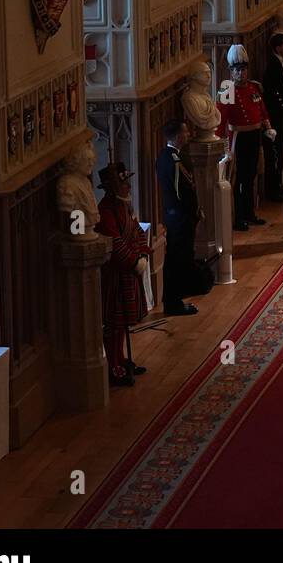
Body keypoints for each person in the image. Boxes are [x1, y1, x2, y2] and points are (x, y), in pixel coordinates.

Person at [95, 162, 151, 386]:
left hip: (129, 270)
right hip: (116, 273)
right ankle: (114, 364)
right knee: (114, 323)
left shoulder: (124, 206)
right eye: (123, 182)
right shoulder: (106, 210)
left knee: (124, 322)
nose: (128, 186)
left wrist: (143, 254)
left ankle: (123, 359)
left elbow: (137, 231)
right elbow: (114, 242)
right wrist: (133, 261)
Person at [218, 44, 275, 231]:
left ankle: (250, 213)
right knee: (239, 180)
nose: (241, 74)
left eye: (243, 70)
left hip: (254, 137)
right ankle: (239, 217)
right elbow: (222, 122)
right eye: (237, 70)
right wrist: (225, 147)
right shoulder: (227, 90)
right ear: (231, 71)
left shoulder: (253, 87)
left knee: (251, 177)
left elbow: (262, 110)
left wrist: (268, 127)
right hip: (238, 139)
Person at [155, 119, 201, 316]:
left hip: (179, 216)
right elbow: (181, 192)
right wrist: (193, 212)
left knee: (179, 258)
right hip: (180, 218)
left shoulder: (171, 157)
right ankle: (174, 303)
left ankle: (175, 300)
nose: (188, 134)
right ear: (176, 136)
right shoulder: (173, 160)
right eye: (185, 132)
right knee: (178, 260)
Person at [261, 33, 283, 201]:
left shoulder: (282, 63)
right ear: (277, 48)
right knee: (274, 153)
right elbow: (271, 92)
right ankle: (273, 190)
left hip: (281, 113)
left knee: (280, 151)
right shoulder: (272, 65)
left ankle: (278, 186)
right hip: (274, 116)